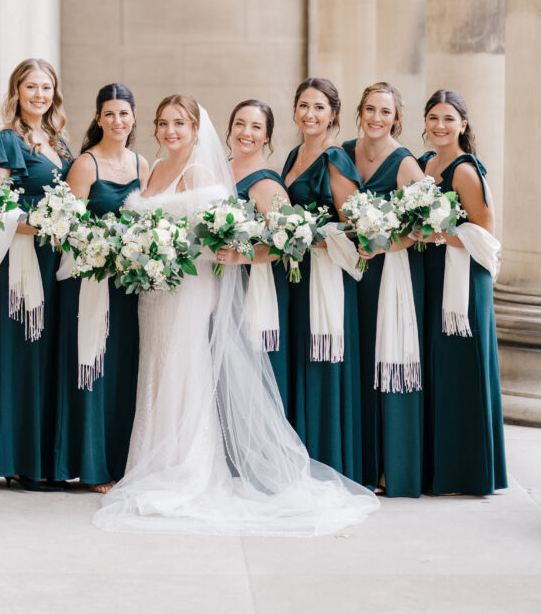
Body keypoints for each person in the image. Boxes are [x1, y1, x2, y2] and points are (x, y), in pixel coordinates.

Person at [93, 94, 378, 536]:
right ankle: (149, 464)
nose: (171, 131)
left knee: (183, 372)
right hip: (155, 291)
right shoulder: (155, 168)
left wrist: (204, 253)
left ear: (195, 130)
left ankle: (184, 470)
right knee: (156, 371)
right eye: (164, 123)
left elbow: (217, 238)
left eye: (180, 124)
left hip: (189, 287)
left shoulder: (201, 172)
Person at [0, 58, 72, 490]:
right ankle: (18, 460)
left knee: (47, 355)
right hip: (21, 262)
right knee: (21, 354)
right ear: (16, 92)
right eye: (31, 87)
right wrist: (34, 224)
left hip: (54, 259)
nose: (39, 94)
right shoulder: (7, 140)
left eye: (46, 87)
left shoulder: (59, 142)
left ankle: (45, 458)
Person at [54, 83, 148, 491]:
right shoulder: (85, 165)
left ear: (133, 118)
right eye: (108, 114)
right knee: (95, 368)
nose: (117, 121)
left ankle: (123, 462)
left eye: (123, 113)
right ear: (98, 118)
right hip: (91, 282)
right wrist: (101, 248)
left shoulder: (144, 164)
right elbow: (67, 229)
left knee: (126, 370)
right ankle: (95, 467)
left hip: (131, 286)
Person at [418, 90, 507, 495]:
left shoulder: (465, 171)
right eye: (433, 117)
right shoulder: (423, 165)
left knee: (464, 367)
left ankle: (471, 472)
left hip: (465, 280)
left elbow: (483, 232)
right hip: (434, 275)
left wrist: (436, 234)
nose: (440, 125)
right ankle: (442, 466)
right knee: (440, 369)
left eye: (448, 119)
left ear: (463, 125)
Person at [343, 82, 424, 497]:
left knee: (385, 365)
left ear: (396, 119)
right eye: (371, 109)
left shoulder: (405, 163)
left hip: (388, 275)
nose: (377, 118)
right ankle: (357, 462)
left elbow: (427, 226)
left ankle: (391, 467)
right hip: (347, 274)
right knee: (356, 365)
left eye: (385, 112)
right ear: (360, 111)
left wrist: (386, 244)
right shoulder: (344, 151)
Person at [282, 78, 364, 482]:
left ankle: (329, 461)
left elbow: (352, 226)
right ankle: (299, 453)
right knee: (300, 358)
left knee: (322, 359)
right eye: (303, 106)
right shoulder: (294, 154)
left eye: (318, 107)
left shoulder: (335, 158)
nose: (309, 114)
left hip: (325, 274)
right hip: (294, 274)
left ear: (333, 113)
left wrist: (311, 236)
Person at [216, 99, 291, 414]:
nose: (246, 132)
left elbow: (286, 244)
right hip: (216, 286)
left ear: (267, 137)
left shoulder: (267, 183)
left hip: (249, 289)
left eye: (256, 127)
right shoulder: (219, 169)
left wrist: (240, 257)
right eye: (240, 124)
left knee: (247, 376)